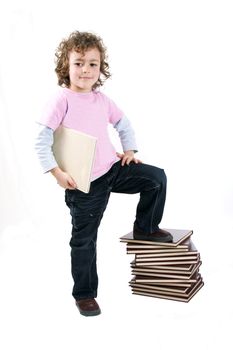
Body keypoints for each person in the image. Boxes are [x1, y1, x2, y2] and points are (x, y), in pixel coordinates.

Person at [35, 30, 173, 317]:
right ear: (66, 65)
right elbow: (41, 141)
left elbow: (123, 123)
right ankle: (84, 294)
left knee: (156, 178)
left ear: (101, 68)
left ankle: (145, 227)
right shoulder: (61, 100)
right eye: (79, 63)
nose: (85, 70)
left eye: (93, 64)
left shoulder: (102, 100)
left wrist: (129, 150)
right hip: (84, 183)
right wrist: (56, 172)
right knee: (84, 239)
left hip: (112, 168)